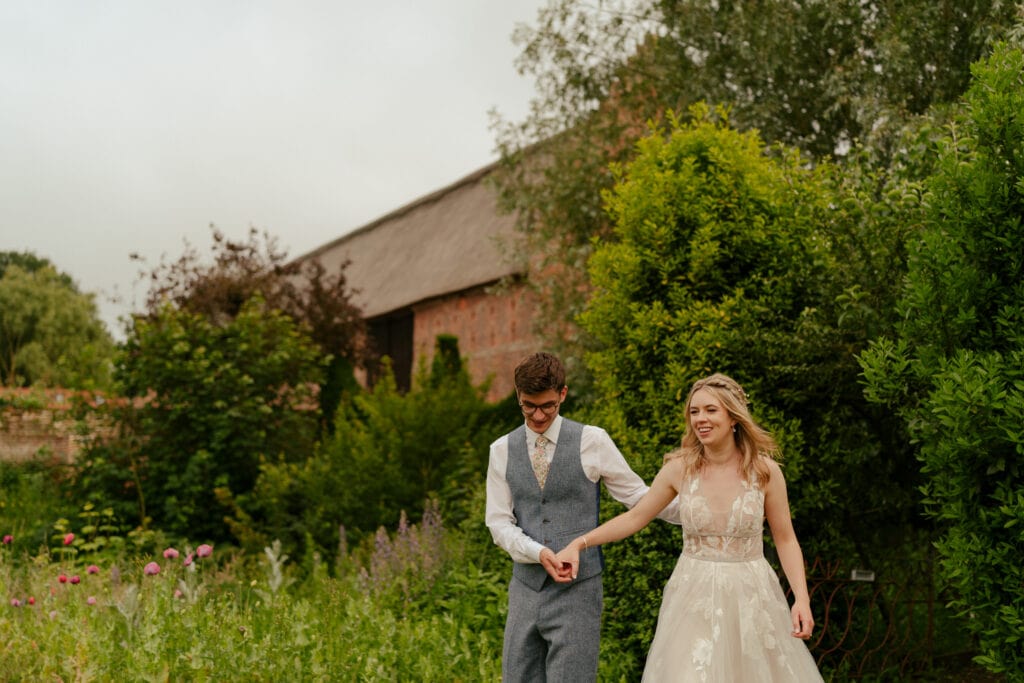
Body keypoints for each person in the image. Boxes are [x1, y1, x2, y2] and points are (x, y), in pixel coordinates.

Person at [555, 373, 823, 681]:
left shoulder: (765, 472)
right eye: (694, 412)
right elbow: (635, 517)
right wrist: (580, 543)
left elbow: (785, 539)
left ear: (733, 417)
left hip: (753, 597)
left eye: (711, 410)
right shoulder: (679, 470)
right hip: (693, 597)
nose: (701, 419)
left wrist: (801, 599)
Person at [486, 352, 680, 682]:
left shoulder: (592, 440)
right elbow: (499, 522)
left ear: (562, 394)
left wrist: (702, 512)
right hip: (524, 589)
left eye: (547, 405)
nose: (537, 415)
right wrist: (538, 553)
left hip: (579, 591)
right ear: (519, 397)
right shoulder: (501, 449)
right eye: (528, 406)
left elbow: (638, 497)